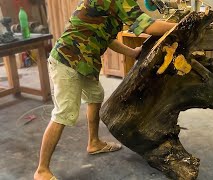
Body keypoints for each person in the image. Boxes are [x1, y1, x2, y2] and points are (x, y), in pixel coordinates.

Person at [34, 0, 177, 179]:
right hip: (67, 61)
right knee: (64, 113)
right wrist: (183, 25)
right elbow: (147, 25)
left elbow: (107, 38)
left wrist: (132, 53)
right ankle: (42, 170)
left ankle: (94, 143)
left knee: (95, 96)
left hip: (85, 62)